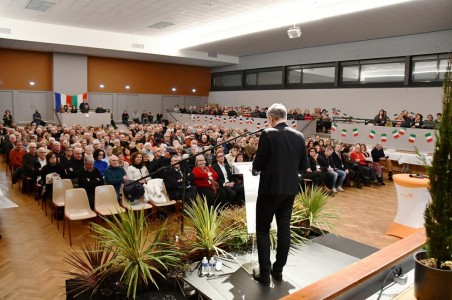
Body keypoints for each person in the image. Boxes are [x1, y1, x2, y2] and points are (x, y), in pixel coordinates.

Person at [251, 103, 307, 286]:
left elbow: (259, 162)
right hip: (289, 190)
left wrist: (255, 168)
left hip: (270, 189)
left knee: (262, 229)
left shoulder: (268, 133)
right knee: (284, 228)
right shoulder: (299, 136)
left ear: (271, 118)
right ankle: (278, 270)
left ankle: (264, 273)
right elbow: (302, 166)